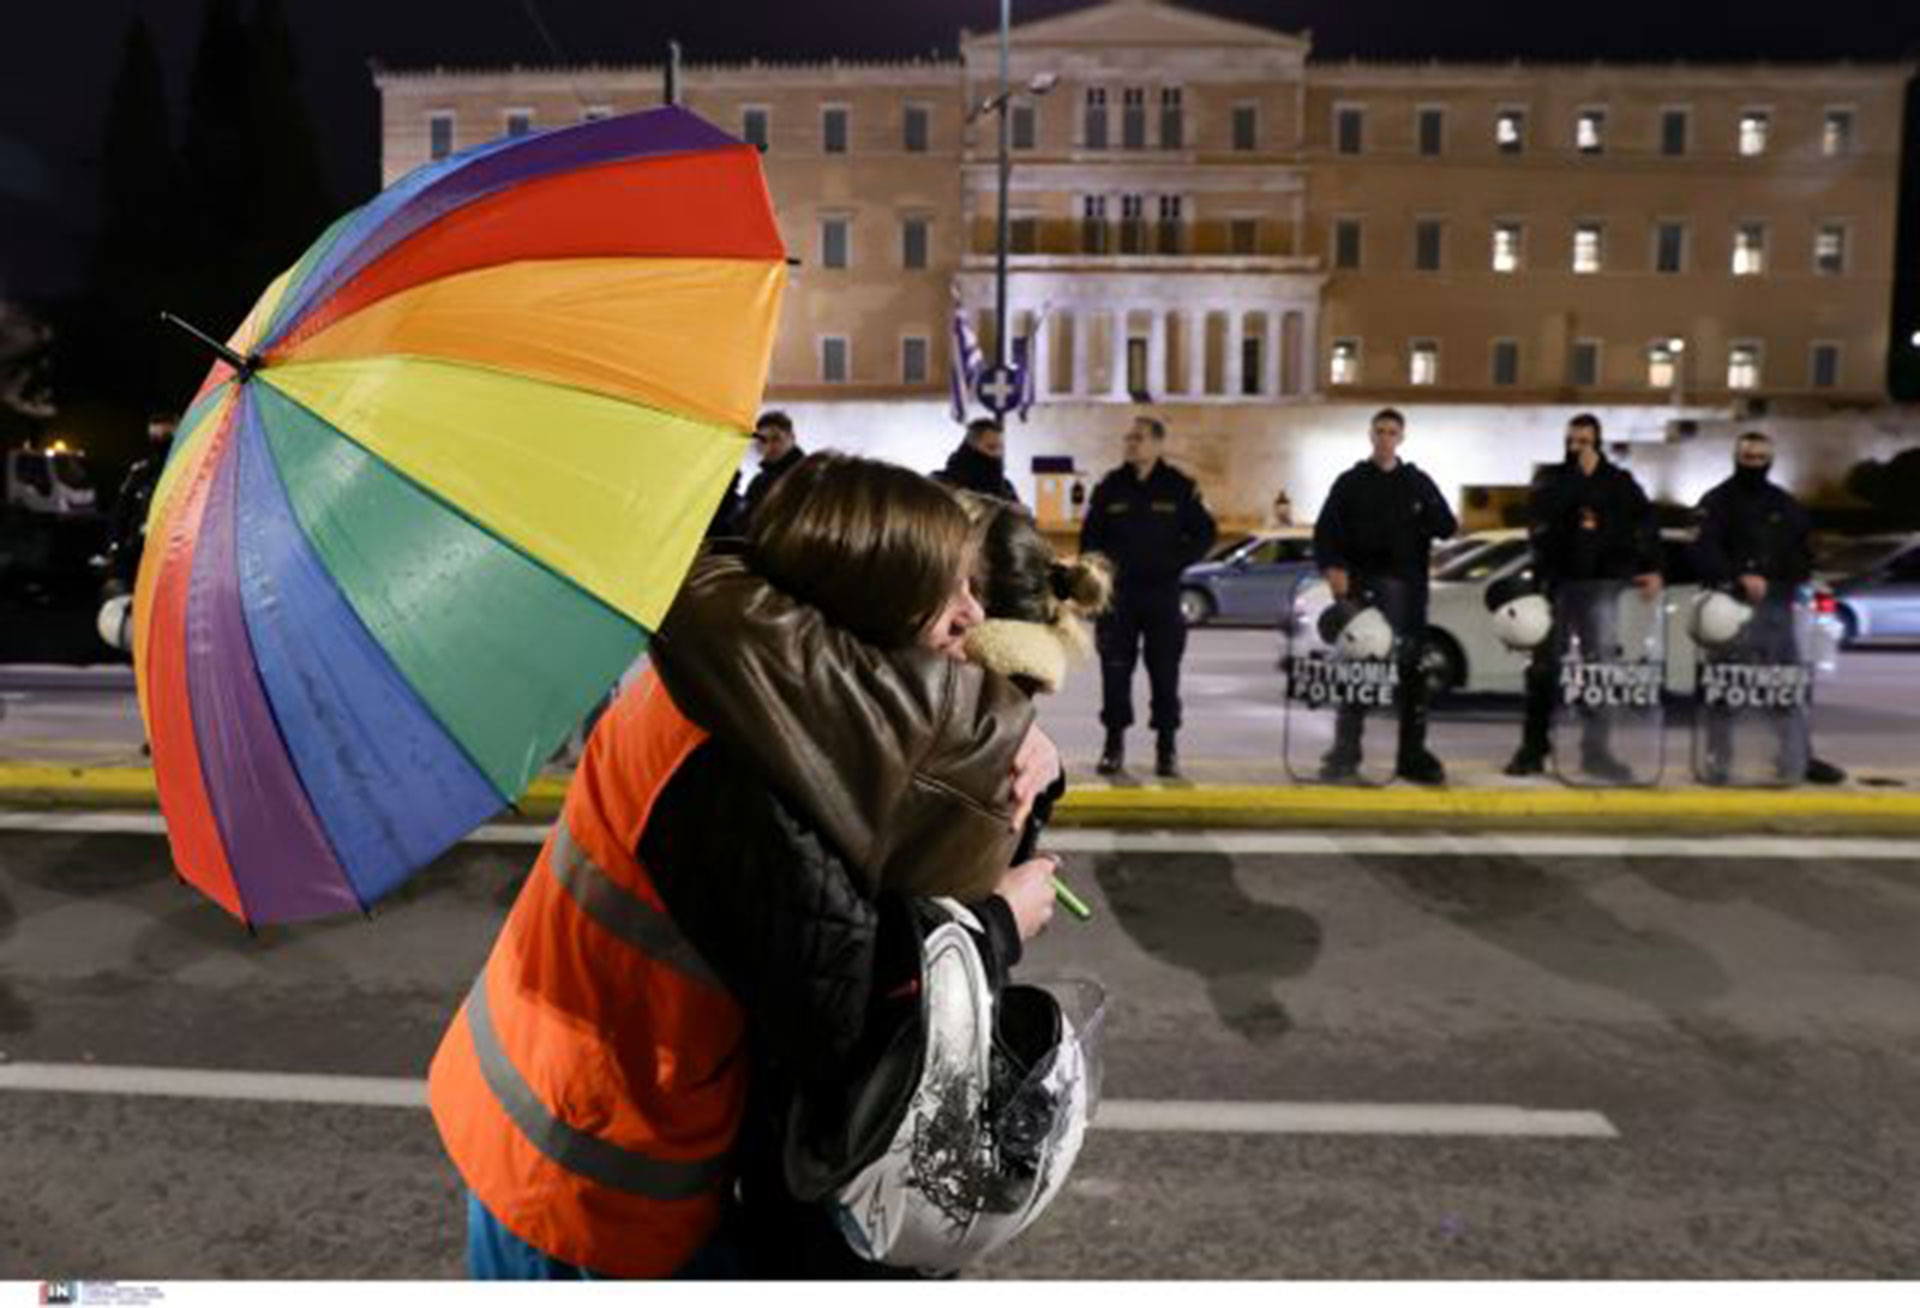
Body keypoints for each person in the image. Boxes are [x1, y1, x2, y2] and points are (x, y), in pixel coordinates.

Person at [431, 453, 1064, 1280]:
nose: (969, 618)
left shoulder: (746, 684)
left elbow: (908, 778)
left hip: (548, 1113)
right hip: (591, 1173)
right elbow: (843, 1007)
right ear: (867, 611)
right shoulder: (737, 765)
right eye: (944, 591)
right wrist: (999, 927)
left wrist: (1027, 754)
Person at [734, 490, 1112, 1278]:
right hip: (913, 1113)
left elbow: (874, 984)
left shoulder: (942, 744)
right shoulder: (977, 729)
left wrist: (1000, 921)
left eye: (950, 583)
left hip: (867, 1123)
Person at [1507, 413, 1662, 781]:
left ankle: (1596, 750)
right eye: (1572, 442)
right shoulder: (1554, 479)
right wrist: (1581, 479)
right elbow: (1542, 516)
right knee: (1544, 669)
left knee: (1600, 671)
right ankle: (1533, 747)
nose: (1577, 448)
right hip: (1558, 585)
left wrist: (1651, 565)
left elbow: (1642, 523)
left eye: (1585, 442)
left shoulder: (1619, 483)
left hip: (1601, 587)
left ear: (1598, 443)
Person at [1311, 408, 1458, 784]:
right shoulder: (1351, 482)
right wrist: (1334, 569)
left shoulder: (1416, 482)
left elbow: (1446, 525)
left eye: (1392, 432)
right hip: (1363, 595)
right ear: (1370, 435)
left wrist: (1421, 514)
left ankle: (1412, 754)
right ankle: (1346, 752)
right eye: (1379, 431)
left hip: (1407, 595)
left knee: (1412, 676)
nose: (1385, 438)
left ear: (1401, 438)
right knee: (1358, 674)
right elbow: (1326, 534)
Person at [1692, 431, 1846, 785]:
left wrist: (1771, 577)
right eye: (1748, 457)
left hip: (1776, 610)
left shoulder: (1786, 506)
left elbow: (1802, 557)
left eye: (1761, 458)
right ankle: (1719, 762)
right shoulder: (1717, 502)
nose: (1754, 464)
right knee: (1726, 690)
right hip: (1729, 613)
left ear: (1770, 461)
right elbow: (1704, 552)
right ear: (1736, 458)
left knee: (1787, 690)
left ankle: (1796, 759)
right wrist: (1738, 576)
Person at [1079, 415, 1217, 778]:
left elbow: (1204, 533)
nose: (1130, 443)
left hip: (1161, 595)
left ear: (1158, 444)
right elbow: (1090, 539)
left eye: (1138, 438)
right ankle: (1113, 746)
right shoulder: (1110, 487)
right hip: (1118, 599)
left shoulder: (1178, 487)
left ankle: (1166, 749)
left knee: (1165, 673)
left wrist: (1174, 562)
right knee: (1114, 673)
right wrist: (1095, 579)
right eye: (1128, 437)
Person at [932, 417, 1021, 503]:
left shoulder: (1006, 489)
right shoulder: (941, 486)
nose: (998, 454)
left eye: (1001, 448)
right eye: (991, 447)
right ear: (970, 449)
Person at [740, 410, 803, 526]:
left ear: (792, 438)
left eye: (776, 439)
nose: (769, 446)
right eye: (763, 441)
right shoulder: (758, 482)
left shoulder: (810, 474)